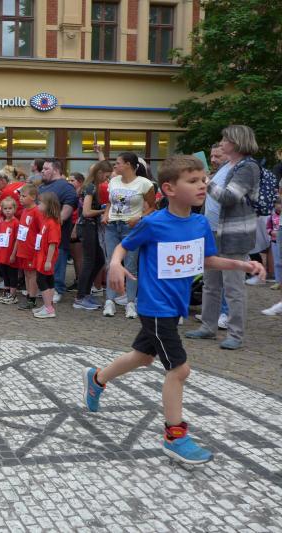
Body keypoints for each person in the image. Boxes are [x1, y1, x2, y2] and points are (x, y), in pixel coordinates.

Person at [84, 155, 265, 464]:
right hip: (155, 306)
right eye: (193, 181)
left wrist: (241, 264)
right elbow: (124, 246)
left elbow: (206, 259)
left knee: (142, 356)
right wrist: (114, 263)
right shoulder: (153, 223)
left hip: (175, 306)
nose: (202, 186)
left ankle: (97, 378)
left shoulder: (200, 224)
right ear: (168, 189)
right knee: (179, 370)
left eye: (204, 180)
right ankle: (174, 435)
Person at [186, 125, 262, 350]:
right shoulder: (227, 166)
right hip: (212, 232)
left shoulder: (248, 167)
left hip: (233, 235)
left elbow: (229, 197)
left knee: (233, 287)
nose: (221, 143)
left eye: (225, 140)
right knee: (210, 284)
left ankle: (235, 334)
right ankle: (208, 326)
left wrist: (206, 182)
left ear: (237, 142)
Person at [100, 152, 156, 318]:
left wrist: (139, 218)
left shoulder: (144, 183)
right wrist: (106, 214)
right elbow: (110, 201)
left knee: (131, 266)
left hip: (131, 228)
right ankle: (109, 301)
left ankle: (130, 303)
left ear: (128, 165)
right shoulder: (114, 181)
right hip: (112, 226)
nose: (115, 165)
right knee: (111, 264)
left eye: (118, 163)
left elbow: (153, 207)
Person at [38, 160, 80, 304]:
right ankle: (47, 289)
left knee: (58, 261)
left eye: (46, 169)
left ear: (55, 170)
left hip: (57, 234)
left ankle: (57, 289)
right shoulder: (42, 186)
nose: (42, 171)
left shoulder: (66, 187)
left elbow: (67, 210)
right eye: (42, 168)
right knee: (45, 262)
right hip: (42, 233)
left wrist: (53, 226)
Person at [73, 161, 112, 310]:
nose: (107, 179)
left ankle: (85, 293)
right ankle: (80, 297)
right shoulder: (90, 187)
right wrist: (104, 210)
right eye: (106, 176)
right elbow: (86, 212)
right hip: (87, 227)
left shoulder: (91, 186)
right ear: (100, 172)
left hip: (89, 226)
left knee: (99, 260)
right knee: (89, 262)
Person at [33, 193, 62, 318]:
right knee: (48, 280)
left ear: (48, 205)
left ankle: (49, 308)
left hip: (46, 257)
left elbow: (52, 243)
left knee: (42, 280)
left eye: (40, 203)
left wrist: (48, 260)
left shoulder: (52, 223)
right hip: (42, 255)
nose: (38, 205)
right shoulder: (46, 220)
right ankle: (47, 305)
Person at [15, 184, 41, 310]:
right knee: (26, 273)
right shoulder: (24, 211)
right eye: (20, 196)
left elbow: (41, 231)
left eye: (24, 196)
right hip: (23, 248)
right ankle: (29, 295)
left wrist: (37, 248)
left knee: (32, 274)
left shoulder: (37, 212)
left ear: (33, 197)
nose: (21, 198)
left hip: (32, 249)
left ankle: (32, 298)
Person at [0, 197, 20, 305]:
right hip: (2, 253)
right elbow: (0, 238)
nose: (8, 211)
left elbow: (17, 240)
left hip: (10, 253)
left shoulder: (16, 223)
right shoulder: (2, 222)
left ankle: (13, 295)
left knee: (12, 274)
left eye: (10, 208)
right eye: (5, 208)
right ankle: (6, 293)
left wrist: (13, 254)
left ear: (14, 209)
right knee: (4, 273)